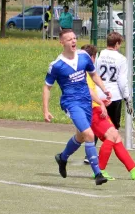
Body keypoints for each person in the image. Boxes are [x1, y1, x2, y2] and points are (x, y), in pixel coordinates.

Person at [42, 29, 110, 185]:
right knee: (89, 134)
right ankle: (98, 173)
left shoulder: (84, 56)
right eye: (69, 39)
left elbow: (93, 75)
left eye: (74, 38)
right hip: (71, 103)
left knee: (80, 136)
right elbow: (47, 87)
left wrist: (104, 90)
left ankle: (62, 157)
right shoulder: (56, 65)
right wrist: (45, 110)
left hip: (86, 101)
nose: (73, 41)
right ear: (62, 42)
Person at [81, 44, 135, 181]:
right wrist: (101, 103)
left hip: (96, 107)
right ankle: (100, 171)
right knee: (111, 136)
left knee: (116, 138)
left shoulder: (87, 71)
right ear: (92, 57)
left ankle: (133, 170)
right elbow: (87, 92)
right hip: (92, 110)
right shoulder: (83, 73)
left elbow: (90, 92)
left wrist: (102, 100)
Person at [84, 31, 131, 164]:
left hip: (99, 93)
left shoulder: (99, 55)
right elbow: (122, 81)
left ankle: (89, 155)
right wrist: (127, 97)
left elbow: (93, 73)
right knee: (113, 127)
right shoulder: (121, 59)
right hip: (114, 96)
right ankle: (106, 155)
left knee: (97, 125)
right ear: (117, 44)